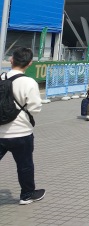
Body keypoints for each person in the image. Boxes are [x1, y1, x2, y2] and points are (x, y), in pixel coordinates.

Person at [0, 47, 45, 205]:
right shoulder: (29, 82)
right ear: (30, 63)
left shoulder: (1, 77)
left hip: (0, 131)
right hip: (22, 133)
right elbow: (35, 109)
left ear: (11, 59)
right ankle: (26, 195)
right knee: (25, 165)